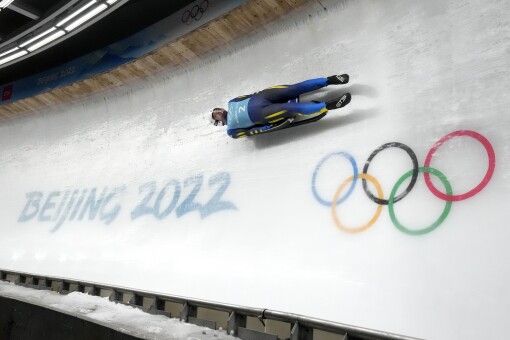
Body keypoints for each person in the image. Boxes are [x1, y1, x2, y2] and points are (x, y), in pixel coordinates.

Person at [211, 74, 351, 138]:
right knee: (291, 109)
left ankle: (330, 80)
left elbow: (248, 96)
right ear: (218, 122)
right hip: (263, 113)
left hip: (264, 96)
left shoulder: (231, 102)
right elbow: (250, 132)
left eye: (216, 110)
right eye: (215, 114)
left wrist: (263, 92)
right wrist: (267, 127)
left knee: (294, 88)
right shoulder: (231, 131)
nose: (218, 111)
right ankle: (330, 105)